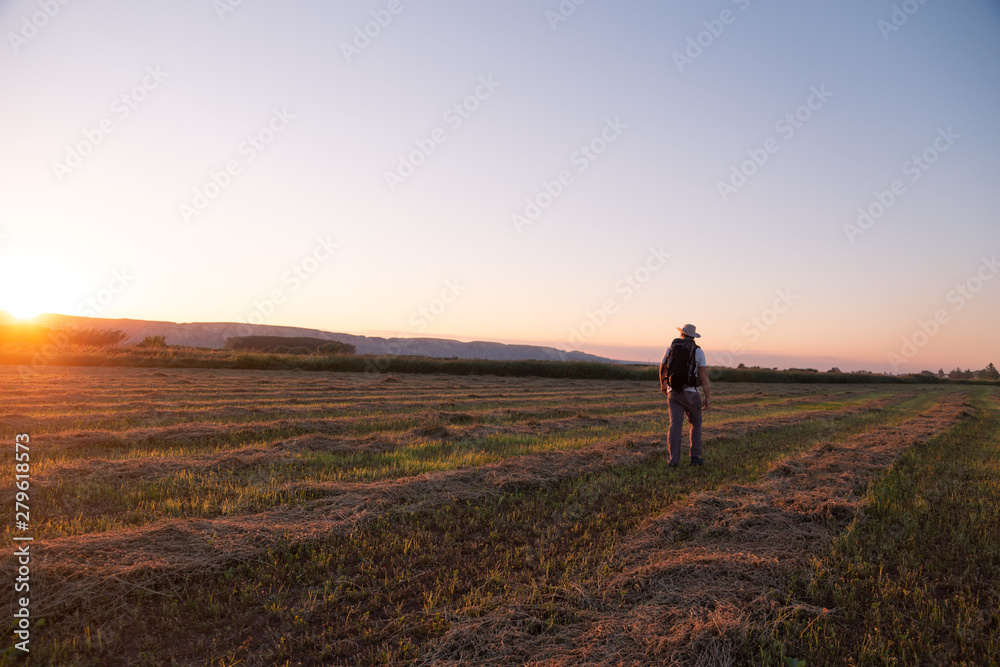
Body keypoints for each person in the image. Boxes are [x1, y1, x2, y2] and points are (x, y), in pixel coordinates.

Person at [659, 324, 711, 467]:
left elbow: (662, 368)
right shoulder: (698, 351)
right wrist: (707, 396)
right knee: (695, 423)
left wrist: (663, 384)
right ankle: (694, 458)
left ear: (682, 334)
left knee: (675, 425)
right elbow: (704, 376)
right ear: (693, 336)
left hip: (673, 392)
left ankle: (673, 461)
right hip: (691, 394)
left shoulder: (671, 348)